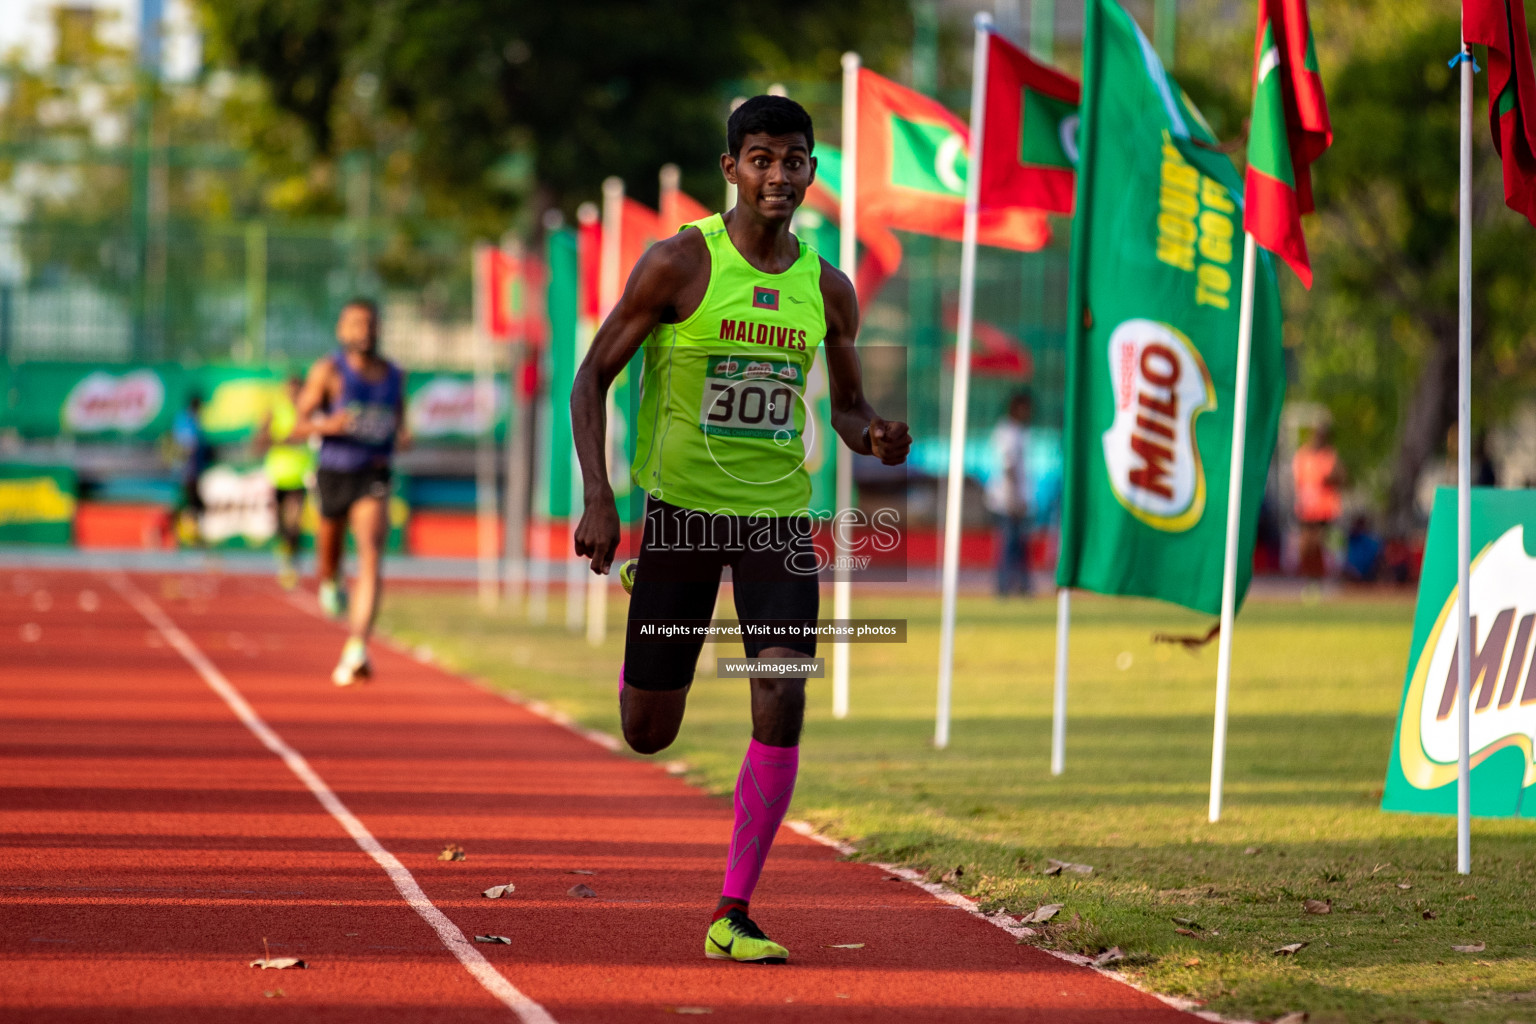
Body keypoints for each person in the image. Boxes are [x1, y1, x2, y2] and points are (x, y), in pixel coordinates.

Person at [570, 95, 911, 965]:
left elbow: (849, 407)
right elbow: (590, 379)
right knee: (649, 730)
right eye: (760, 158)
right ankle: (646, 601)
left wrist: (872, 434)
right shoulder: (679, 264)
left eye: (793, 160)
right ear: (731, 169)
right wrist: (602, 499)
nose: (777, 175)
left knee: (784, 690)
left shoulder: (827, 289)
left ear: (811, 173)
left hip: (778, 520)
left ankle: (735, 909)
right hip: (680, 518)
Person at [292, 299, 407, 686]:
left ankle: (357, 647)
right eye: (357, 324)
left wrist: (401, 434)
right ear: (343, 331)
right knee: (330, 559)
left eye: (371, 324)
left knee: (372, 555)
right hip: (333, 473)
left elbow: (401, 424)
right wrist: (331, 424)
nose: (365, 331)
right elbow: (299, 426)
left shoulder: (394, 375)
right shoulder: (329, 372)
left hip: (372, 474)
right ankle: (330, 580)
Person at [258, 374, 316, 590]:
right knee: (280, 525)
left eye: (297, 390)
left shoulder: (308, 412)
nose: (293, 394)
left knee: (294, 523)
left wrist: (293, 439)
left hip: (299, 476)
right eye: (290, 390)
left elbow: (311, 436)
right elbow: (260, 441)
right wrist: (274, 438)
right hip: (277, 476)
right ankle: (286, 559)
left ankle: (292, 565)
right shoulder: (275, 412)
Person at [985, 391, 1034, 596]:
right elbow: (1009, 467)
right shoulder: (1008, 432)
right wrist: (1014, 499)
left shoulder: (1016, 432)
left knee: (1018, 545)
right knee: (1010, 544)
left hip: (1012, 497)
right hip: (1006, 499)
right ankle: (1005, 587)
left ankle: (1021, 586)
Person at [1292, 422, 1343, 579]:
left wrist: (1333, 477)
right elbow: (1299, 483)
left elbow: (1340, 478)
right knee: (1306, 545)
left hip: (1324, 509)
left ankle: (1320, 576)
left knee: (1318, 543)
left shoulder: (1329, 456)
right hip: (1307, 509)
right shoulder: (1303, 456)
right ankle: (1310, 575)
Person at [171, 393, 214, 546]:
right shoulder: (187, 420)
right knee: (191, 501)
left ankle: (190, 532)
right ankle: (187, 534)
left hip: (190, 468)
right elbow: (189, 446)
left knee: (193, 501)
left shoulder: (189, 419)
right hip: (188, 469)